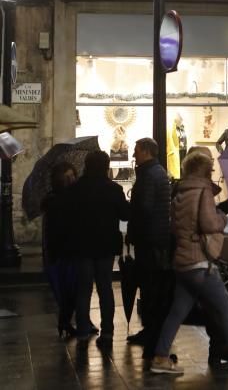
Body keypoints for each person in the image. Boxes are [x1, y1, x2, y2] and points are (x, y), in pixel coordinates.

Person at [150, 147, 228, 375]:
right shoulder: (202, 192)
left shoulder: (180, 192)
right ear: (204, 171)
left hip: (183, 261)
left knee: (177, 311)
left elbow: (175, 226)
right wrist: (222, 217)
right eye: (211, 168)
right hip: (199, 262)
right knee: (225, 307)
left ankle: (161, 356)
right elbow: (209, 224)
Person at [67, 150, 130, 349]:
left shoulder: (76, 189)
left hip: (83, 244)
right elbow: (125, 215)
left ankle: (84, 331)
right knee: (105, 288)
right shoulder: (113, 189)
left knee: (84, 289)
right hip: (105, 245)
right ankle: (108, 332)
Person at [126, 137, 173, 361]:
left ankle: (152, 333)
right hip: (155, 237)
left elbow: (144, 208)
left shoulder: (149, 175)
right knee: (151, 286)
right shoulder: (157, 172)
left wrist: (131, 219)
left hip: (150, 238)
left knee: (150, 286)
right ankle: (151, 330)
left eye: (136, 150)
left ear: (146, 151)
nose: (134, 154)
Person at [42, 161, 83, 339]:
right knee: (64, 291)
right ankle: (65, 322)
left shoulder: (76, 196)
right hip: (59, 251)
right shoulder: (53, 200)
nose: (72, 179)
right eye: (67, 177)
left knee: (74, 291)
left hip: (73, 249)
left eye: (73, 175)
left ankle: (65, 322)